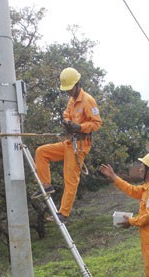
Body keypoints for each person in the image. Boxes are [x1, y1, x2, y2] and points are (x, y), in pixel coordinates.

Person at [32, 67, 102, 223]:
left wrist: (80, 127)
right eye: (67, 89)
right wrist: (67, 122)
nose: (68, 92)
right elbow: (67, 114)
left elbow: (97, 123)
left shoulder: (88, 100)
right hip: (70, 142)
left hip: (80, 145)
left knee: (70, 179)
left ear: (77, 84)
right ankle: (46, 185)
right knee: (41, 152)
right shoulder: (71, 100)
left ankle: (63, 213)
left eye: (70, 88)